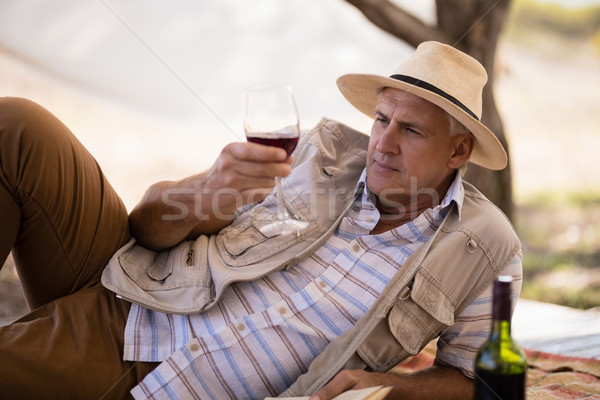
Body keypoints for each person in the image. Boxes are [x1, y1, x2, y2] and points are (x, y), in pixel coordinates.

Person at [0, 41, 522, 399]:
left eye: (411, 130)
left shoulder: (485, 246)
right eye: (382, 119)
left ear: (459, 150)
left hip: (148, 364)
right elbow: (147, 228)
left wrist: (383, 385)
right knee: (18, 125)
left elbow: (472, 377)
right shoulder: (320, 156)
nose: (381, 145)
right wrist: (204, 193)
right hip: (137, 288)